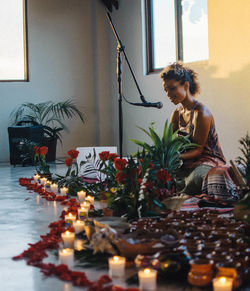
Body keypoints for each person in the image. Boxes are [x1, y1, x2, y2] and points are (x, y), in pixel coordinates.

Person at [160, 62, 238, 199]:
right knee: (159, 177)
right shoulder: (177, 114)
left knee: (196, 179)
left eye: (172, 89)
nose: (168, 94)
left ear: (185, 85)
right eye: (165, 90)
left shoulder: (202, 113)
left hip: (206, 161)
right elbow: (171, 144)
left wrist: (175, 157)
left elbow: (198, 150)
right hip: (185, 163)